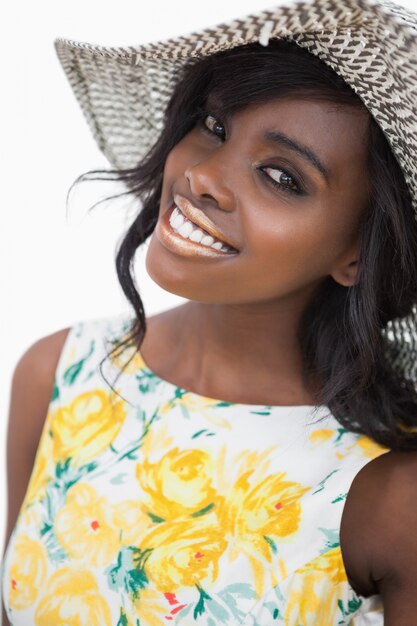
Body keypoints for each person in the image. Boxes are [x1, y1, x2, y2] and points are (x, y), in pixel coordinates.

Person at [2, 0, 417, 623]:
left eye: (281, 176)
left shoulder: (388, 494)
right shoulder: (58, 373)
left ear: (359, 252)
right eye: (215, 127)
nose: (202, 177)